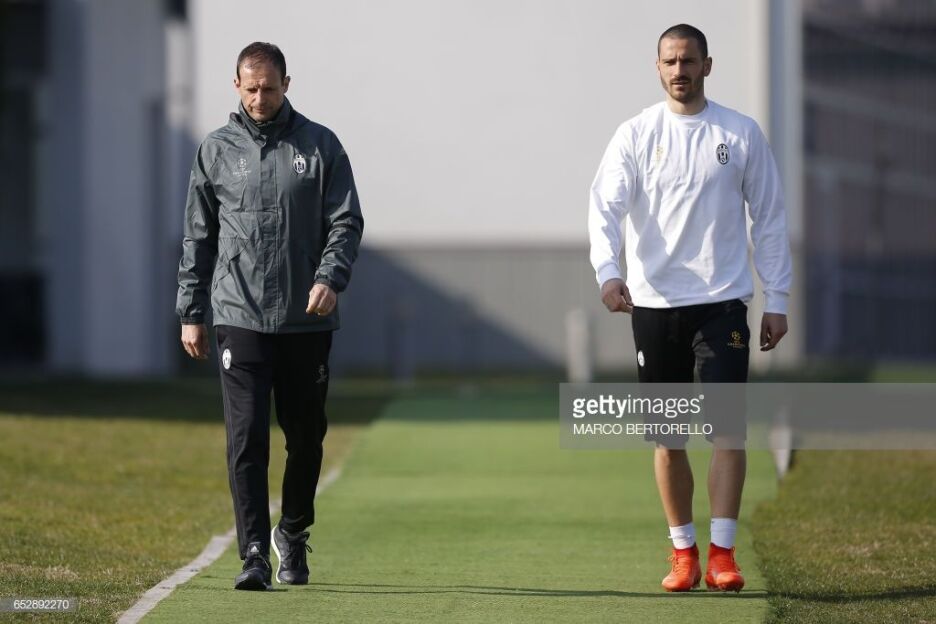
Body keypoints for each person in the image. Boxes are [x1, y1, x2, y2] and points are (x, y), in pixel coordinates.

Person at [587, 24, 791, 592]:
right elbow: (604, 208)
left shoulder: (740, 133)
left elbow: (769, 217)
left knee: (727, 432)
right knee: (669, 439)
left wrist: (776, 297)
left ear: (707, 65)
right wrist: (608, 272)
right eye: (671, 61)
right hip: (655, 307)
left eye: (689, 60)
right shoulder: (635, 135)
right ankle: (685, 554)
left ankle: (723, 554)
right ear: (658, 67)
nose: (680, 70)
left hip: (722, 305)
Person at [176, 42, 363, 591]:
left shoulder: (321, 145)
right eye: (252, 88)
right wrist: (191, 310)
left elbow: (346, 221)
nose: (261, 98)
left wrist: (329, 277)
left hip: (306, 320)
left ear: (287, 85)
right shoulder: (215, 150)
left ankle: (293, 531)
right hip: (239, 314)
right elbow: (198, 236)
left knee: (306, 438)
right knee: (246, 437)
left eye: (271, 88)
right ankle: (254, 551)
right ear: (236, 86)